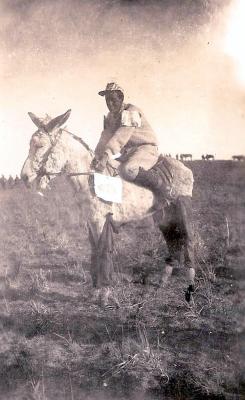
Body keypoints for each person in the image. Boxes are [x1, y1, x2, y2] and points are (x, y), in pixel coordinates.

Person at [92, 82, 167, 199]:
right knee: (111, 169)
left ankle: (163, 188)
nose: (110, 104)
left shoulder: (131, 111)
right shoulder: (111, 117)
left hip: (146, 149)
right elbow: (105, 137)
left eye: (113, 100)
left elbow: (120, 136)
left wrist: (106, 156)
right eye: (107, 101)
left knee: (128, 170)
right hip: (128, 152)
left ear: (121, 98)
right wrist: (96, 155)